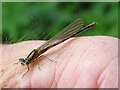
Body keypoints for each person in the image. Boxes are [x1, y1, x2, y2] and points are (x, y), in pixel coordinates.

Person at [0, 36, 118, 88]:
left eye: (25, 62)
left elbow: (43, 57)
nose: (25, 63)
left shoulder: (33, 59)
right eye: (25, 62)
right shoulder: (28, 60)